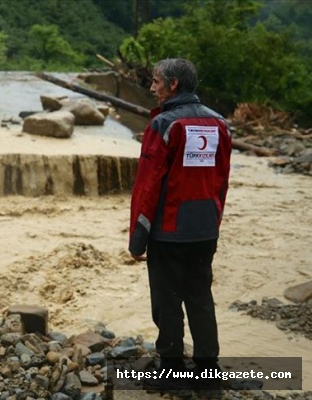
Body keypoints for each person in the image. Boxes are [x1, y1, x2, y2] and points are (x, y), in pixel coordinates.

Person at [128, 58, 232, 396]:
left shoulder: (165, 125)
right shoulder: (220, 124)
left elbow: (148, 185)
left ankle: (172, 373)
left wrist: (138, 237)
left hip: (169, 230)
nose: (152, 87)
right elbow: (222, 182)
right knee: (200, 297)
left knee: (167, 301)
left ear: (173, 85)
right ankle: (208, 374)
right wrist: (213, 223)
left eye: (156, 81)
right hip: (205, 229)